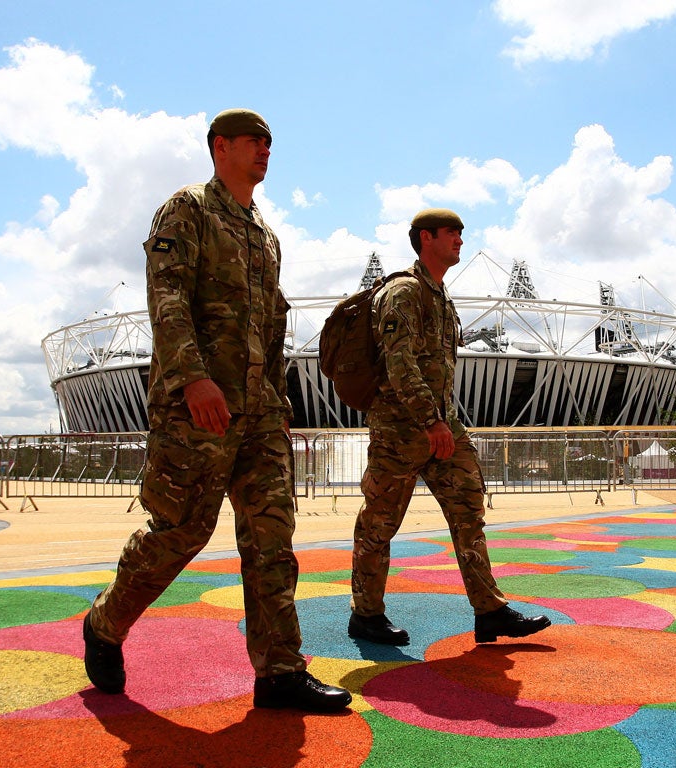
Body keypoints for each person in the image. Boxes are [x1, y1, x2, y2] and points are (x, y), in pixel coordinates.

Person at [83, 108, 351, 712]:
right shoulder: (188, 210)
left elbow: (273, 324)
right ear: (219, 146)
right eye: (255, 141)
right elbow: (167, 295)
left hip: (258, 416)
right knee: (180, 532)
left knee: (271, 542)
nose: (265, 150)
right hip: (196, 408)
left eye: (270, 143)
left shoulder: (265, 234)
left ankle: (280, 671)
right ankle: (105, 623)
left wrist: (280, 402)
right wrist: (194, 376)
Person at [347, 208, 552, 646]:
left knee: (468, 513)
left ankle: (490, 610)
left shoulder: (440, 296)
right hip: (402, 431)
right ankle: (366, 614)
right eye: (451, 233)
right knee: (379, 524)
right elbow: (398, 363)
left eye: (461, 233)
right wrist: (430, 420)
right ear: (426, 238)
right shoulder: (403, 292)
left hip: (443, 427)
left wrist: (443, 423)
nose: (460, 240)